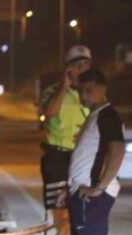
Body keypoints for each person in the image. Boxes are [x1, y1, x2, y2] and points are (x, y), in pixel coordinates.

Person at [66, 68, 125, 235]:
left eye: (90, 89)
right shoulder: (95, 116)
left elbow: (117, 150)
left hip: (93, 196)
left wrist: (99, 187)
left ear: (103, 88)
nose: (84, 94)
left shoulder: (108, 115)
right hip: (81, 194)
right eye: (81, 90)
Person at [39, 46, 93, 211]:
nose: (80, 69)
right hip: (58, 159)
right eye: (76, 65)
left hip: (84, 158)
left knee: (83, 210)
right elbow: (49, 112)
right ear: (67, 68)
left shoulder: (93, 93)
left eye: (85, 64)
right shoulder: (53, 91)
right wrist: (64, 87)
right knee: (60, 211)